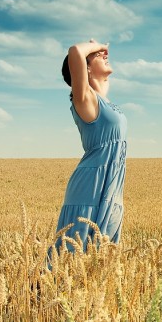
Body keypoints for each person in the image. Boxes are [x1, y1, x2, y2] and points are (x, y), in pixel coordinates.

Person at [54, 39, 127, 253]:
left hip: (112, 185)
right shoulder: (84, 99)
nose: (103, 55)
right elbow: (75, 51)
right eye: (96, 55)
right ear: (85, 67)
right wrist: (95, 45)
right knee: (72, 256)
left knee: (102, 258)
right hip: (91, 185)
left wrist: (99, 52)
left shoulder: (102, 99)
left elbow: (96, 68)